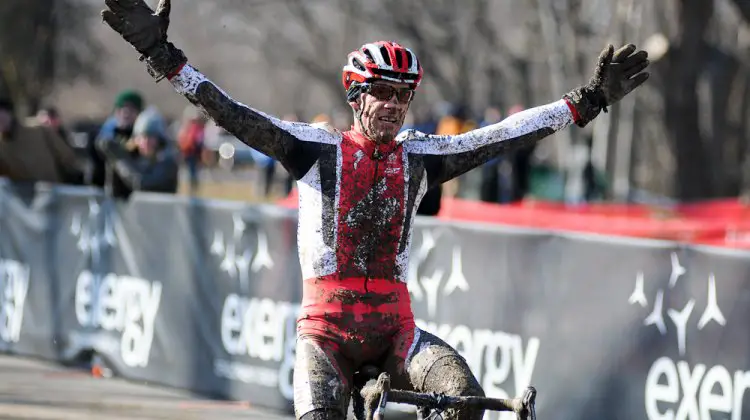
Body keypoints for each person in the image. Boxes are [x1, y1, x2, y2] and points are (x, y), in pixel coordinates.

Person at [100, 1, 650, 419]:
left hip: (396, 331)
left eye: (402, 94)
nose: (391, 104)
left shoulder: (420, 158)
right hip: (326, 335)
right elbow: (231, 113)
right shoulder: (314, 149)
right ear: (354, 95)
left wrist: (588, 100)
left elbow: (504, 135)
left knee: (466, 401)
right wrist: (164, 58)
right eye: (380, 91)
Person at [95, 106, 179, 198]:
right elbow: (115, 191)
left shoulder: (168, 161)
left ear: (159, 139)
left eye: (151, 137)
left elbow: (143, 183)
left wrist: (119, 158)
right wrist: (113, 156)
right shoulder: (136, 160)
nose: (146, 142)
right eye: (142, 137)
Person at [0, 96, 83, 184]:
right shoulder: (2, 146)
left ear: (9, 113)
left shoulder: (39, 130)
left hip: (51, 191)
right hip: (19, 195)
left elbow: (68, 157)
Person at [90, 89, 145, 193]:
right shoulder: (105, 136)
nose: (125, 114)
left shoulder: (142, 138)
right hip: (109, 194)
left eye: (131, 110)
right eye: (121, 109)